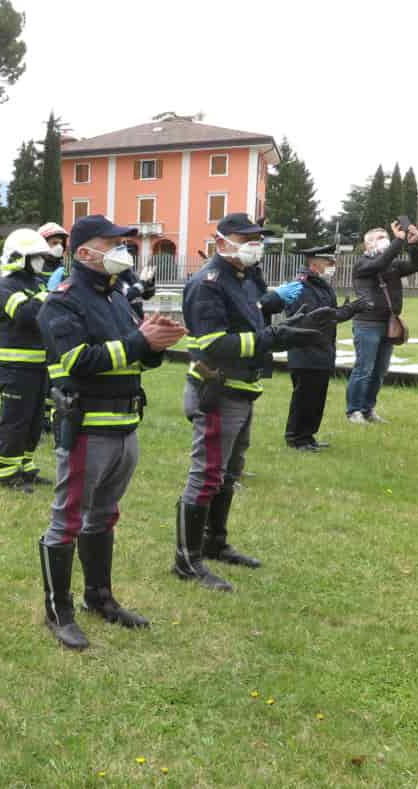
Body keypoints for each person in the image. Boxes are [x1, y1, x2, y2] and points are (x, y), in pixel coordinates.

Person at [36, 216, 186, 649]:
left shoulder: (119, 296)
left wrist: (156, 345)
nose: (124, 250)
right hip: (87, 428)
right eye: (113, 244)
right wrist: (141, 343)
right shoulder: (62, 302)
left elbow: (131, 354)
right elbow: (77, 363)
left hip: (125, 425)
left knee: (104, 516)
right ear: (84, 253)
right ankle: (58, 610)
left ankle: (99, 598)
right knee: (67, 519)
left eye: (124, 243)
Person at [173, 213, 326, 591]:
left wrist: (284, 324)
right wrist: (274, 338)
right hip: (217, 389)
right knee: (206, 474)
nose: (254, 244)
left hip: (243, 387)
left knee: (228, 472)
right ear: (222, 241)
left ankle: (214, 542)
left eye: (257, 238)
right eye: (246, 238)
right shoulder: (206, 283)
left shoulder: (245, 277)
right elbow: (211, 344)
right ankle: (186, 560)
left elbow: (255, 316)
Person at [284, 245, 369, 450]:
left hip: (322, 350)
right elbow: (316, 318)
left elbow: (330, 314)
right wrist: (350, 309)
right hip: (305, 350)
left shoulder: (322, 286)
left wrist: (347, 309)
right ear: (314, 264)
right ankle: (296, 438)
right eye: (328, 262)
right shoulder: (302, 286)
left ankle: (308, 436)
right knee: (304, 398)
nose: (333, 266)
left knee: (316, 399)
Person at [0, 228, 53, 491]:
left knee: (34, 420)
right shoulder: (5, 286)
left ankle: (26, 466)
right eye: (36, 256)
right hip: (15, 367)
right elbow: (25, 314)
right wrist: (47, 295)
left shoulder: (36, 284)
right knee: (15, 420)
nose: (41, 261)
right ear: (20, 257)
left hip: (39, 366)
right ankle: (5, 471)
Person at [346, 219, 418, 423]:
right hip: (367, 324)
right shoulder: (362, 264)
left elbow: (417, 264)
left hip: (388, 324)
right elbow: (379, 264)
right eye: (380, 238)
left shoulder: (392, 264)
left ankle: (367, 410)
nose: (385, 241)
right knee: (364, 369)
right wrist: (399, 242)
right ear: (367, 245)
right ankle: (353, 411)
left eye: (386, 237)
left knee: (380, 370)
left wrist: (414, 244)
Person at [38, 222, 69, 290]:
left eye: (61, 244)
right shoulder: (33, 269)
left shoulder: (64, 270)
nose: (59, 247)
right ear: (42, 244)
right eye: (55, 243)